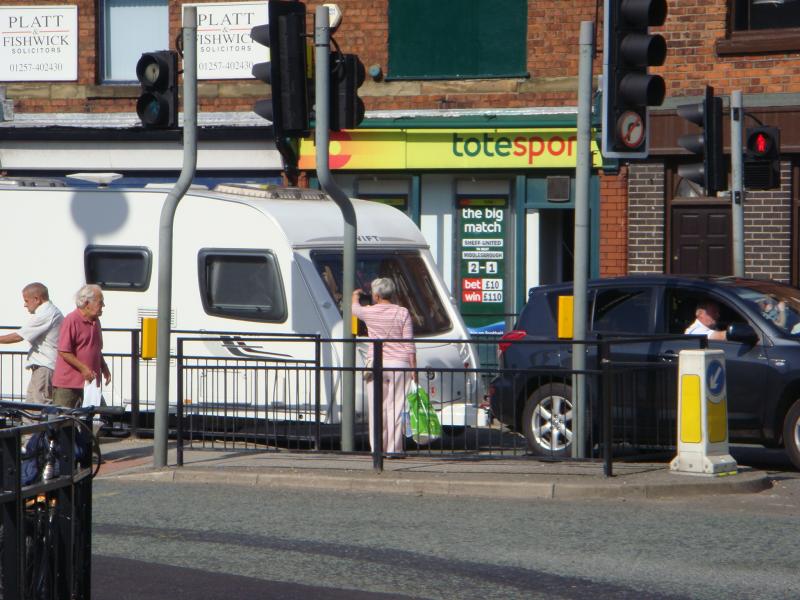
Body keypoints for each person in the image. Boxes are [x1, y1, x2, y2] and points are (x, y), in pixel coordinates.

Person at [352, 277, 417, 457]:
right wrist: (413, 369)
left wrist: (355, 296)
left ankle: (377, 450)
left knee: (376, 408)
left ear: (377, 295)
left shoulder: (369, 312)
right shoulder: (402, 312)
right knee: (395, 408)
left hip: (377, 364)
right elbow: (409, 344)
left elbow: (354, 309)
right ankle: (394, 450)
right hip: (400, 364)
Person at [0, 282, 64, 403]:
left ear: (37, 299)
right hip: (43, 366)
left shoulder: (46, 313)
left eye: (26, 300)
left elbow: (18, 337)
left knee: (39, 405)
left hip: (45, 366)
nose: (25, 305)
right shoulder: (49, 311)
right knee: (30, 405)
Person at [52, 284, 111, 408]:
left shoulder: (96, 321)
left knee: (92, 421)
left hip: (90, 384)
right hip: (69, 384)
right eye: (100, 302)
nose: (103, 306)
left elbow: (96, 349)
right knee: (64, 421)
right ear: (86, 303)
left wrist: (104, 367)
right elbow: (64, 351)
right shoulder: (71, 320)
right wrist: (84, 369)